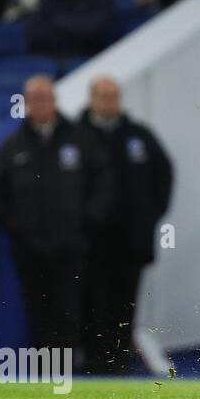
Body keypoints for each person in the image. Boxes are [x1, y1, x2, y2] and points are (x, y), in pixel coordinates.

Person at [0, 76, 115, 371]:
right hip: (29, 247)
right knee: (37, 307)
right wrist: (15, 227)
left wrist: (88, 222)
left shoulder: (80, 140)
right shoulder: (13, 146)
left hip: (73, 245)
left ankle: (70, 367)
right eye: (35, 99)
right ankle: (44, 370)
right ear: (27, 103)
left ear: (54, 101)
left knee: (71, 307)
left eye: (46, 98)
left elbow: (103, 182)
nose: (41, 104)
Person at [78, 76, 172, 373]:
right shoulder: (77, 137)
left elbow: (163, 174)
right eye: (104, 96)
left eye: (115, 96)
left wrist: (149, 215)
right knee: (91, 299)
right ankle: (92, 359)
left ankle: (119, 359)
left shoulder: (138, 136)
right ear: (92, 99)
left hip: (130, 240)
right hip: (89, 241)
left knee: (125, 301)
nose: (110, 103)